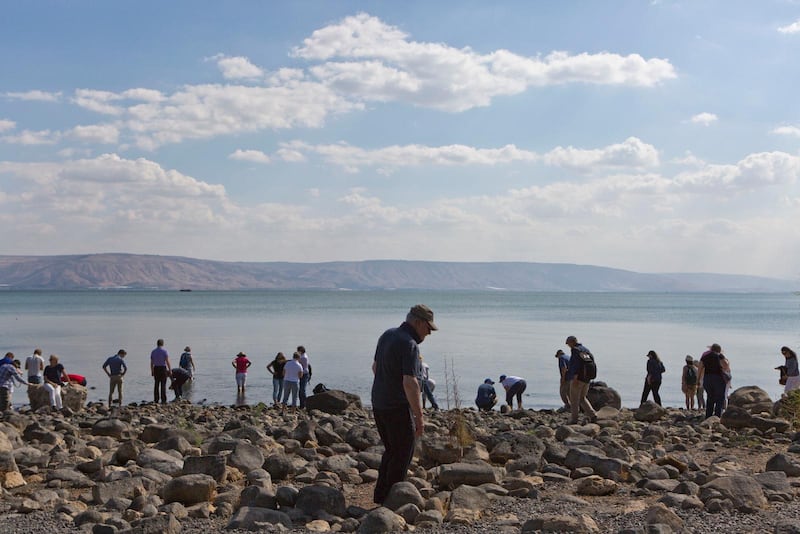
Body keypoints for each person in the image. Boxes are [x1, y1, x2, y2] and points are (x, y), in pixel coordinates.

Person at [371, 304, 436, 504]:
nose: (429, 333)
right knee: (403, 452)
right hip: (396, 406)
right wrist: (419, 416)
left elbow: (375, 367)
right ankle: (392, 501)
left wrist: (387, 385)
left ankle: (380, 495)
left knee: (391, 450)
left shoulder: (387, 335)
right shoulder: (409, 344)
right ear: (418, 322)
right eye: (428, 328)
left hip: (379, 402)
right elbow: (410, 382)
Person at [565, 335, 598, 424]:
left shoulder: (575, 350)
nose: (567, 345)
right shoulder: (585, 350)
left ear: (572, 342)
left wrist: (575, 377)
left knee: (574, 399)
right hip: (587, 378)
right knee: (582, 398)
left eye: (568, 343)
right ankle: (592, 414)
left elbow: (576, 364)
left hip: (578, 378)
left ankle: (574, 419)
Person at [698, 343, 726, 418]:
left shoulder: (705, 356)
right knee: (719, 398)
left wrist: (698, 380)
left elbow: (700, 368)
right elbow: (725, 366)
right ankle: (717, 416)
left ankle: (708, 416)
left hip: (707, 378)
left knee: (710, 397)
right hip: (718, 378)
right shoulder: (720, 356)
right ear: (719, 350)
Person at [150, 339, 171, 404]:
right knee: (163, 384)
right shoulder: (164, 351)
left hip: (156, 368)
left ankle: (156, 399)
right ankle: (163, 399)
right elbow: (167, 361)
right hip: (163, 368)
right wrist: (170, 370)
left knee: (156, 384)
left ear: (157, 344)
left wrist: (152, 371)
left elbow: (151, 362)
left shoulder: (153, 351)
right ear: (162, 344)